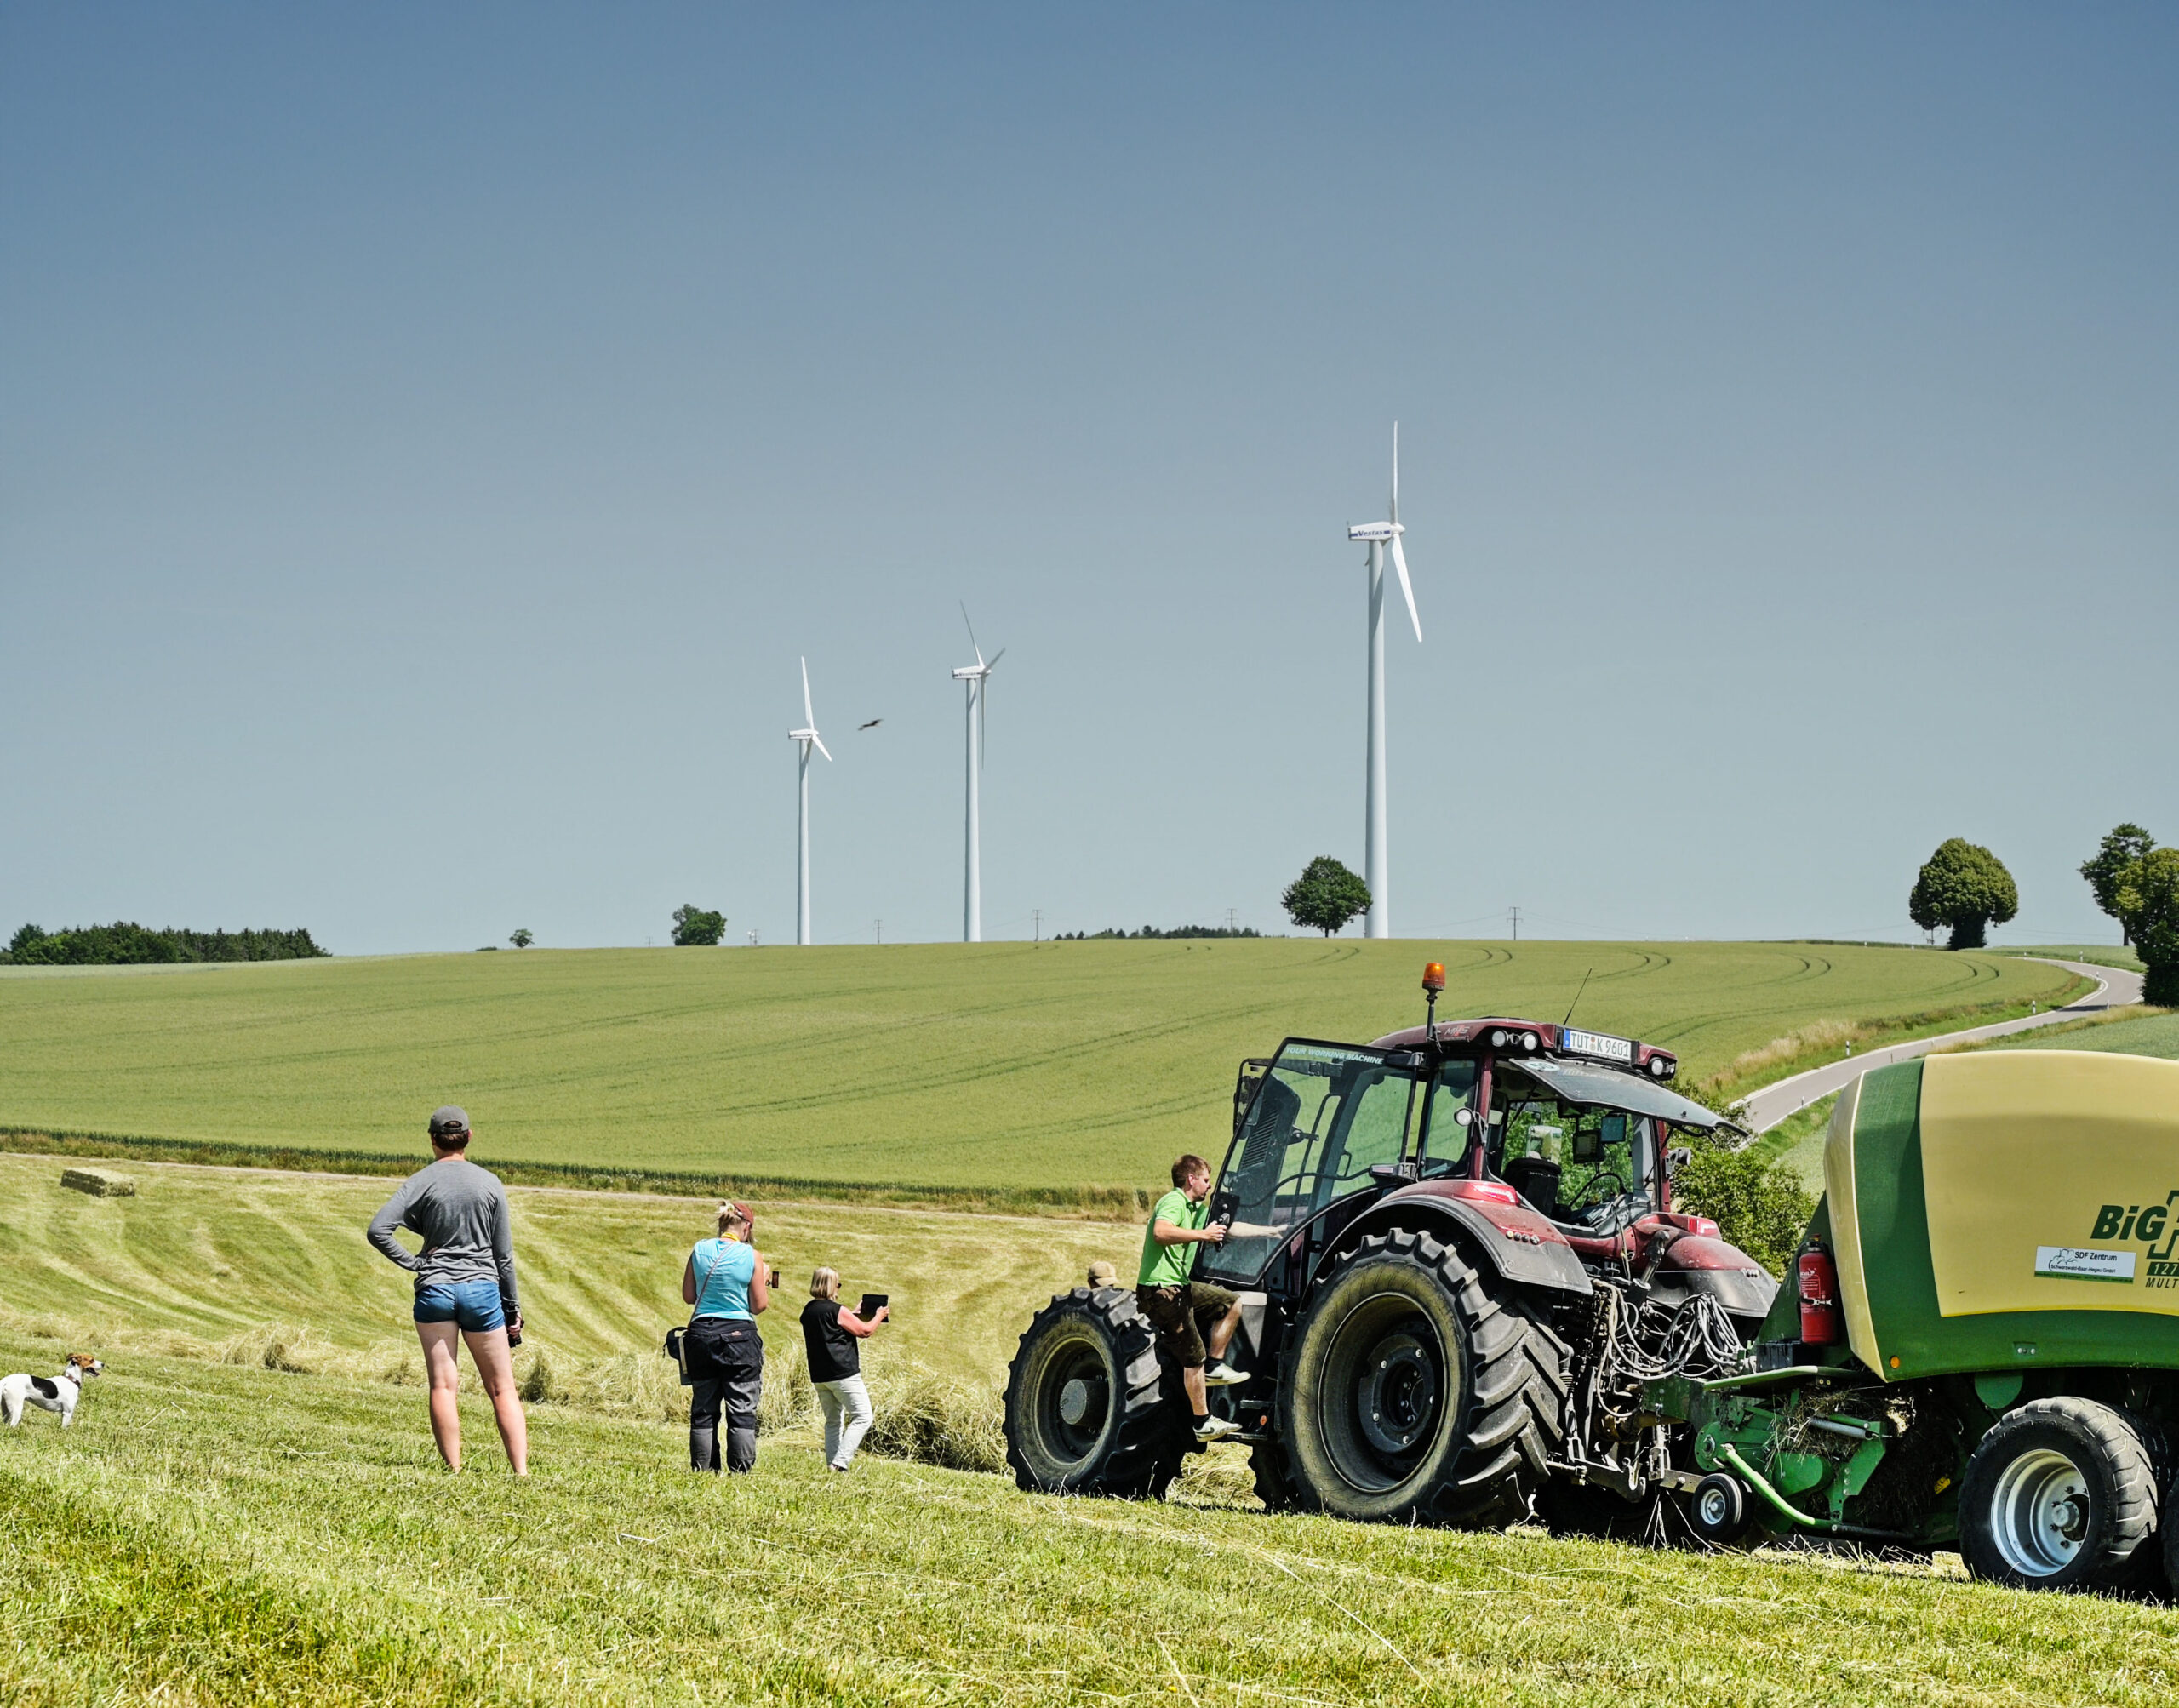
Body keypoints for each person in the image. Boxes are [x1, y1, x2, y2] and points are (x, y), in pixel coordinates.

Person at [365, 1105, 528, 1475]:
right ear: (468, 1137)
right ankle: (520, 1472)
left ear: (432, 1140)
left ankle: (453, 1469)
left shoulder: (420, 1181)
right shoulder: (490, 1183)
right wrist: (512, 1307)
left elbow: (378, 1230)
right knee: (502, 1388)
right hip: (482, 1292)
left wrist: (416, 1263)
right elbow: (503, 1256)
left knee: (442, 1386)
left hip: (434, 1292)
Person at [1137, 1152, 1260, 1442]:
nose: (1209, 1185)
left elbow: (1227, 1230)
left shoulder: (1195, 1209)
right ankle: (1202, 1423)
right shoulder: (1174, 1201)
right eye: (1206, 1180)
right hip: (1161, 1289)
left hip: (1180, 1285)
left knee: (1230, 1302)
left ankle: (1215, 1365)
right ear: (1191, 1179)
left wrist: (1274, 1231)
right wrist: (1203, 1236)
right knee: (1193, 1357)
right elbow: (1161, 1232)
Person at [682, 1200, 771, 1474]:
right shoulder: (751, 1256)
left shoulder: (699, 1249)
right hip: (739, 1337)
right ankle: (740, 1471)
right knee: (741, 1410)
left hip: (701, 1334)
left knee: (703, 1410)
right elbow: (759, 1305)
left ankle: (704, 1469)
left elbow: (689, 1296)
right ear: (747, 1227)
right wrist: (763, 1279)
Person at [800, 1267, 887, 1471]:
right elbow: (865, 1331)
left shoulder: (808, 1310)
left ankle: (832, 1465)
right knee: (863, 1416)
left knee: (833, 1421)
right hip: (843, 1373)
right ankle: (840, 1463)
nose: (838, 1288)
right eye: (837, 1284)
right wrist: (879, 1315)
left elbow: (830, 1326)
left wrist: (853, 1314)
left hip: (820, 1375)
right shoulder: (837, 1310)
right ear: (831, 1286)